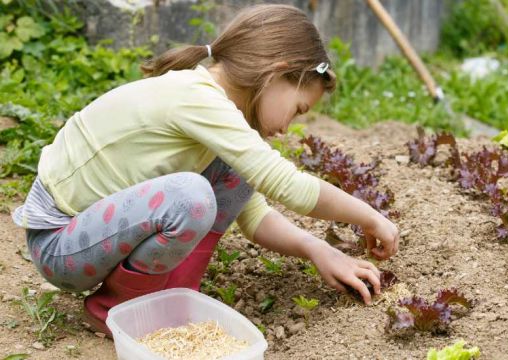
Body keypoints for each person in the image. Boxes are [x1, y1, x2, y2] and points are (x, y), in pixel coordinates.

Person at [11, 4, 399, 337]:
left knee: (237, 171)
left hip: (91, 236)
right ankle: (114, 312)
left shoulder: (213, 106)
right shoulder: (196, 98)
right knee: (190, 197)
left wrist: (318, 249)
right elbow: (288, 186)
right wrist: (371, 217)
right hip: (61, 244)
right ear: (278, 72)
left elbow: (252, 211)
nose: (288, 127)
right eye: (298, 109)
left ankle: (174, 303)